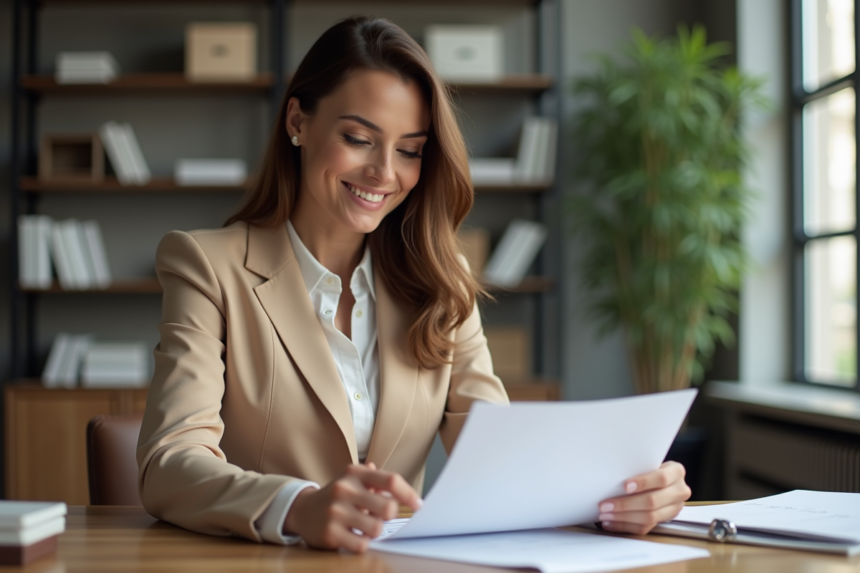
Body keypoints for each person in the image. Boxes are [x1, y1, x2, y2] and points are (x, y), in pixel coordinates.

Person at [136, 16, 691, 553]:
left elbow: (503, 456)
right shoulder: (206, 265)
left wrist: (621, 497)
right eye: (359, 138)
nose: (384, 172)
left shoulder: (442, 283)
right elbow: (169, 464)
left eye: (409, 150)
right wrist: (299, 507)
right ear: (298, 123)